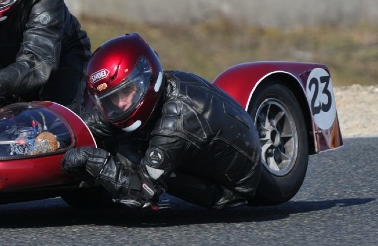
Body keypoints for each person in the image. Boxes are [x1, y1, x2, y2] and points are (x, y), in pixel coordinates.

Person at [62, 33, 262, 210]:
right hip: (206, 152)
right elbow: (94, 122)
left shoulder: (175, 123)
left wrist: (98, 162)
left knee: (129, 154)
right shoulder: (161, 88)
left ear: (145, 78)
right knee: (117, 135)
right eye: (112, 98)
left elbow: (143, 192)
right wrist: (61, 131)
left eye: (126, 91)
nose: (121, 103)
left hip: (230, 189)